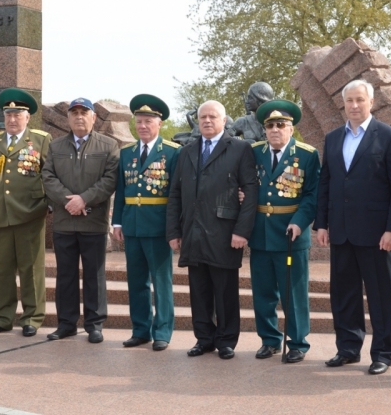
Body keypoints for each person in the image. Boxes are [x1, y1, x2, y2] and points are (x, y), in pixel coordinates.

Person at [315, 80, 391, 375]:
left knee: (380, 295)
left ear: (371, 102)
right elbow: (326, 184)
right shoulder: (332, 138)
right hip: (340, 231)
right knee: (343, 294)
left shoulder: (389, 136)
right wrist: (321, 224)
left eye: (359, 100)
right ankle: (348, 347)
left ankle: (383, 352)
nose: (354, 106)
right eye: (349, 101)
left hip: (376, 233)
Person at [166, 100, 258, 360]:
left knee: (225, 290)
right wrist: (173, 231)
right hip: (193, 230)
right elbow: (175, 194)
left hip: (225, 232)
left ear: (224, 120)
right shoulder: (187, 151)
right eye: (202, 117)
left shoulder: (240, 149)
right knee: (199, 289)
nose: (207, 121)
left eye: (212, 116)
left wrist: (242, 231)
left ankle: (227, 340)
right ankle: (203, 338)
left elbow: (250, 192)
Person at [42, 98, 119, 343]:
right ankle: (66, 323)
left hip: (93, 222)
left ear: (93, 117)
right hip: (65, 221)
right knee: (65, 275)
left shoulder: (108, 146)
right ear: (68, 118)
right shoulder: (56, 147)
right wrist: (69, 202)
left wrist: (84, 199)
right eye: (74, 113)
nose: (78, 117)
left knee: (94, 276)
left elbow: (109, 180)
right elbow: (48, 176)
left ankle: (94, 324)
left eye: (83, 112)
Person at [249, 100, 319, 363]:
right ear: (264, 130)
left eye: (281, 125)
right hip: (260, 232)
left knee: (294, 293)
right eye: (270, 126)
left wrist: (300, 222)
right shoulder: (254, 152)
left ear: (291, 129)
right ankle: (269, 340)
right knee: (263, 292)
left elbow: (312, 195)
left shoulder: (307, 155)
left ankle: (298, 342)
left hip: (291, 233)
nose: (275, 129)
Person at [112, 94, 180, 351]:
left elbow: (176, 195)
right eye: (139, 121)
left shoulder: (173, 153)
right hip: (132, 225)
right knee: (137, 280)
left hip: (159, 226)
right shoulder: (127, 153)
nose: (142, 126)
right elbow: (121, 190)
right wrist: (117, 222)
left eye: (148, 121)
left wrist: (174, 228)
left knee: (161, 281)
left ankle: (162, 331)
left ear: (159, 124)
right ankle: (140, 329)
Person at [0, 89, 52, 336]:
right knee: (2, 270)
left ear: (28, 117)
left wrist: (46, 205)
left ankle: (32, 318)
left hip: (30, 214)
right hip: (1, 214)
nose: (12, 120)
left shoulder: (42, 140)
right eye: (8, 114)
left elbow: (50, 175)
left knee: (30, 269)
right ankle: (2, 317)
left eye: (17, 115)